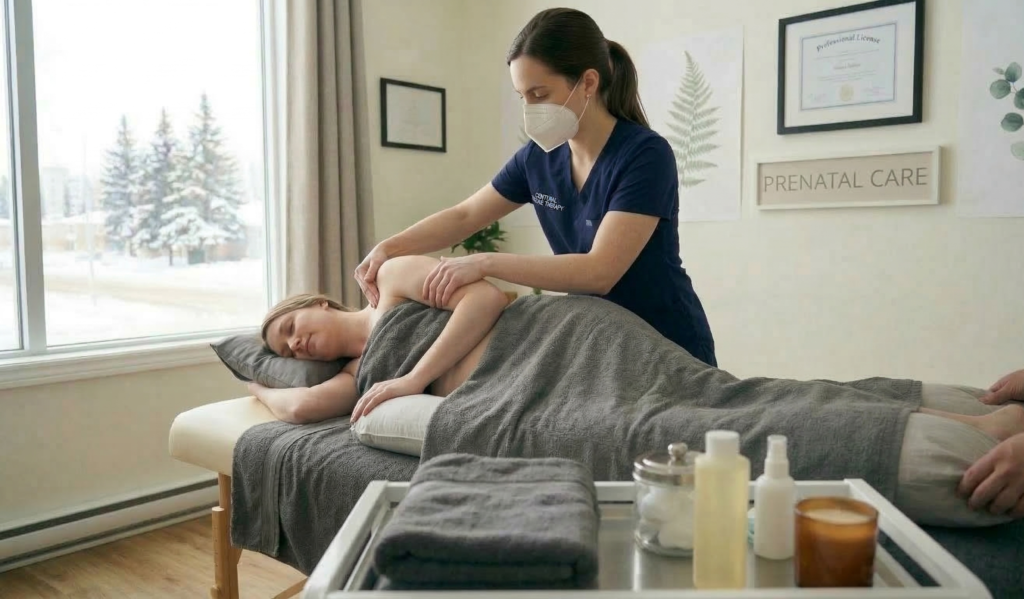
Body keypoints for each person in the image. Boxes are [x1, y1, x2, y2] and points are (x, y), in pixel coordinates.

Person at [250, 254, 1024, 523]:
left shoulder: (390, 282)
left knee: (721, 405)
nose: (298, 343)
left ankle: (970, 422)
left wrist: (417, 377)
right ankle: (963, 413)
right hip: (525, 387)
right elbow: (298, 406)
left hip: (563, 340)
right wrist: (263, 388)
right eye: (288, 348)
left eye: (293, 327)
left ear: (316, 302)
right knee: (737, 403)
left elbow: (486, 297)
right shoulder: (356, 381)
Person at [353, 7, 717, 366]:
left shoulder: (645, 155)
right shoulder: (537, 159)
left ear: (588, 83)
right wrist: (389, 248)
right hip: (603, 343)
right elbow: (465, 215)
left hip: (668, 342)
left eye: (539, 94)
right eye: (521, 96)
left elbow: (600, 271)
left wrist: (484, 263)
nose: (529, 109)